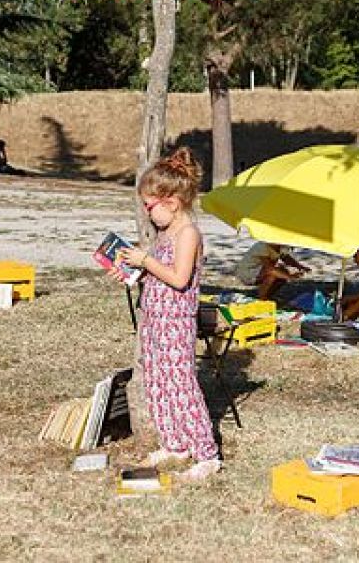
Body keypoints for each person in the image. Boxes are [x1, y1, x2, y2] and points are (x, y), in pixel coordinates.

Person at [110, 147, 222, 483]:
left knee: (182, 384)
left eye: (150, 206)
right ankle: (175, 443)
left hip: (175, 322)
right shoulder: (165, 233)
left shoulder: (188, 233)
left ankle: (206, 453)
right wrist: (135, 273)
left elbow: (179, 278)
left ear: (171, 201)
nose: (147, 213)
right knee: (158, 383)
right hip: (154, 317)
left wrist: (145, 261)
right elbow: (160, 273)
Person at [234, 241, 310, 301]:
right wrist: (290, 277)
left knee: (282, 272)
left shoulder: (280, 246)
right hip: (247, 272)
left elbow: (286, 258)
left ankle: (268, 297)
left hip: (260, 271)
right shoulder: (261, 246)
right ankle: (262, 299)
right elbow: (270, 269)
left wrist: (300, 266)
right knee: (273, 275)